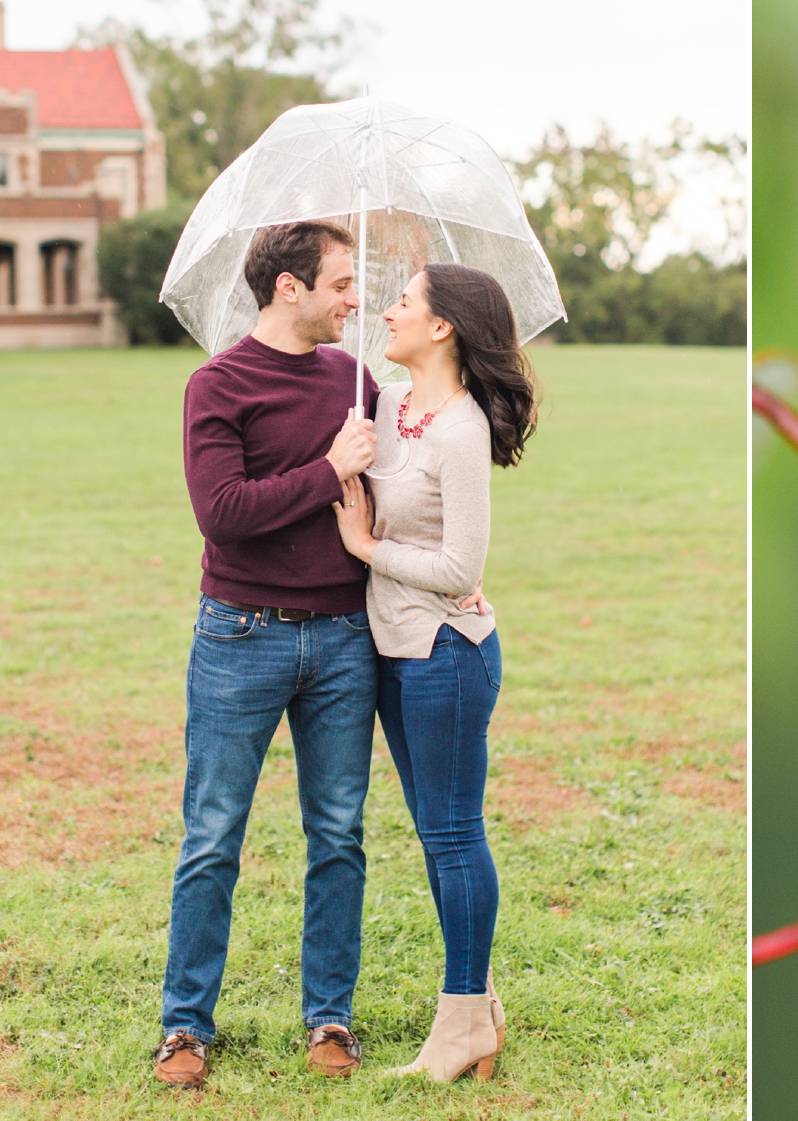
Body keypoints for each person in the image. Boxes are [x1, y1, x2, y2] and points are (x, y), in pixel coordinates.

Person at [155, 222, 488, 1088]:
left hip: (346, 638)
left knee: (338, 834)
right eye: (342, 283)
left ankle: (329, 1017)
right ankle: (186, 1025)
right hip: (240, 636)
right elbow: (222, 512)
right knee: (213, 834)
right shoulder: (216, 385)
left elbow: (422, 483)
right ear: (288, 289)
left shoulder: (359, 382)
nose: (356, 299)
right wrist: (324, 465)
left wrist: (457, 582)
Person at [331, 263, 534, 1083]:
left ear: (443, 325)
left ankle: (460, 1022)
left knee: (453, 832)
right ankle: (479, 1007)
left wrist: (370, 548)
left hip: (448, 650)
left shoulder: (461, 429)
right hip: (394, 647)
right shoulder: (386, 400)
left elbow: (461, 565)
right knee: (433, 830)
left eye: (404, 301)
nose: (387, 309)